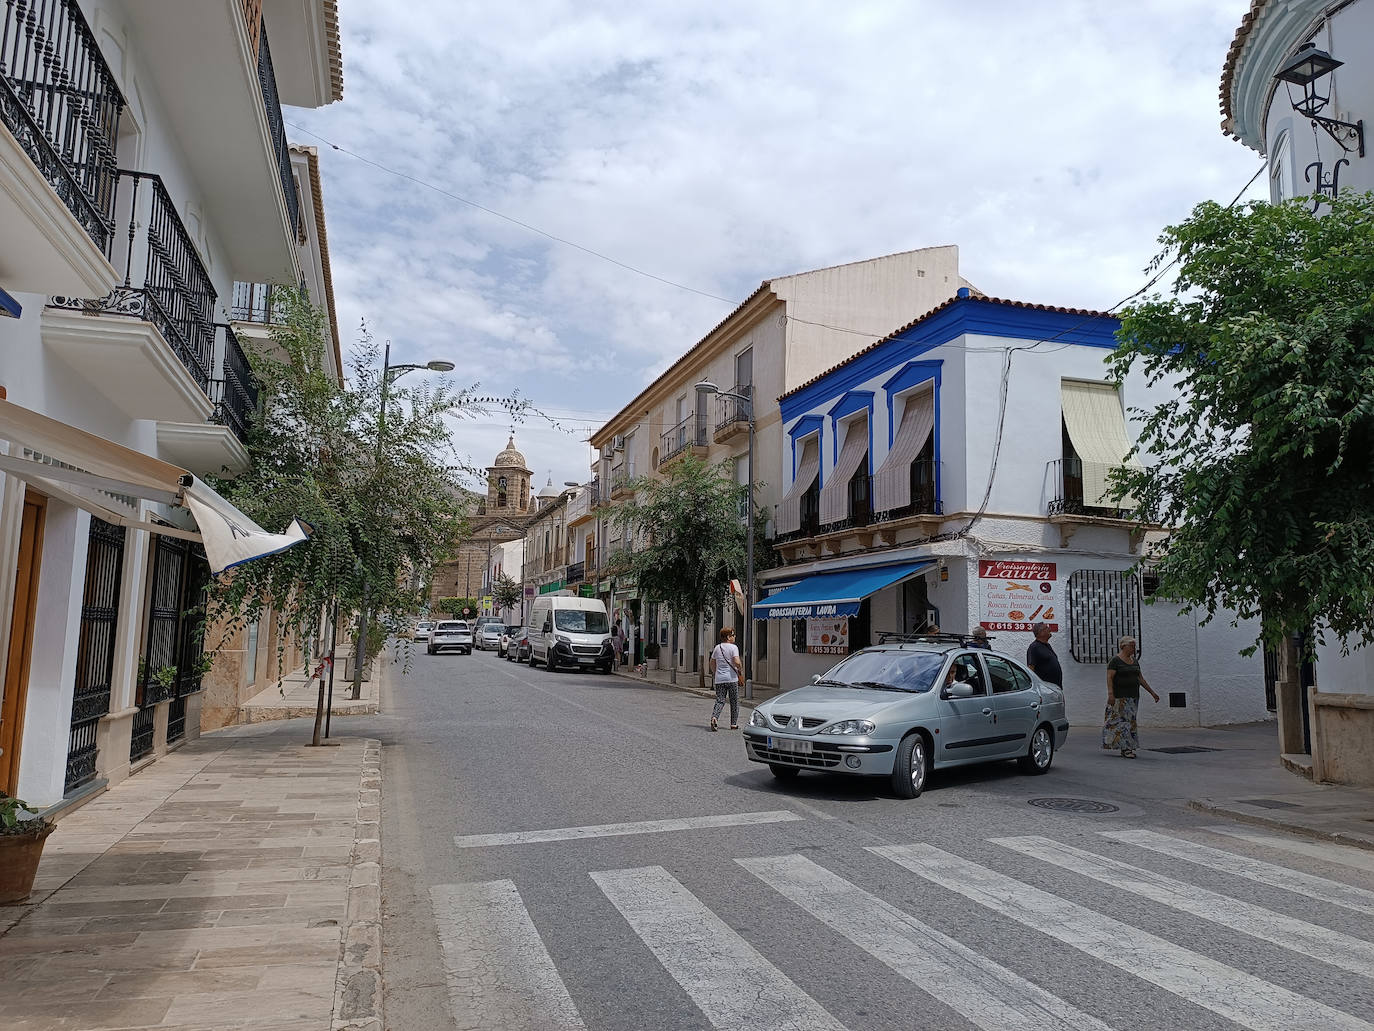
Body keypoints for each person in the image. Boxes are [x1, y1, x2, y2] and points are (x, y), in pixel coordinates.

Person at [1103, 635, 1159, 758]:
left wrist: (1152, 692)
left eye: (1134, 646)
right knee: (1122, 722)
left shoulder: (1134, 661)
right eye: (1132, 646)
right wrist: (1110, 694)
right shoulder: (1115, 661)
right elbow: (1109, 678)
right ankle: (1126, 748)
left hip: (1133, 697)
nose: (1134, 649)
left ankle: (1127, 746)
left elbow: (1140, 678)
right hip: (1120, 697)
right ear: (1123, 646)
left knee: (1130, 722)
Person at [708, 626, 743, 731]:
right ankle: (733, 724)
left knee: (720, 700)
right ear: (728, 637)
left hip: (719, 679)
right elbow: (736, 662)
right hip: (732, 679)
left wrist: (715, 672)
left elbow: (712, 662)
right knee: (734, 701)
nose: (734, 637)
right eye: (733, 635)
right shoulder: (733, 648)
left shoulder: (717, 648)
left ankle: (715, 717)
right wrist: (740, 667)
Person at [1026, 622, 1063, 688]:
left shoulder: (1047, 645)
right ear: (1041, 632)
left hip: (1054, 688)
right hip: (1045, 689)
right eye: (1047, 628)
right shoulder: (1034, 647)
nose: (1049, 629)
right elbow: (1031, 669)